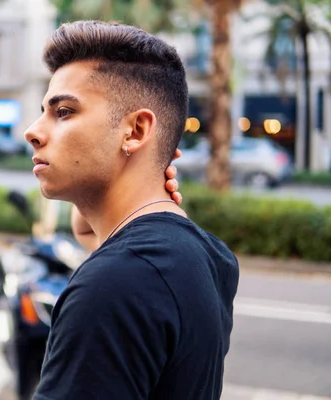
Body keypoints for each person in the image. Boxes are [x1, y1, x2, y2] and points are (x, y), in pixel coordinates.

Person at [24, 21, 239, 400]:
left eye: (64, 111)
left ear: (137, 131)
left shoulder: (114, 284)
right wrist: (108, 211)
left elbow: (125, 274)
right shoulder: (209, 255)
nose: (33, 131)